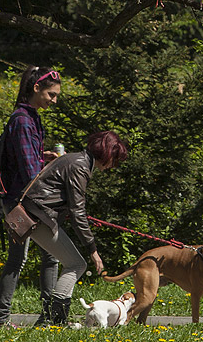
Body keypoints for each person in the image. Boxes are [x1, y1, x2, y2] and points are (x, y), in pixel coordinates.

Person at [21, 130, 128, 326]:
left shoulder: (77, 160)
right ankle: (52, 319)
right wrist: (93, 250)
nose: (114, 166)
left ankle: (56, 320)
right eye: (115, 160)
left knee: (74, 263)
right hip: (37, 217)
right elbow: (78, 211)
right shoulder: (80, 166)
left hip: (35, 214)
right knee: (77, 264)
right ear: (107, 154)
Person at [0, 66, 63, 327]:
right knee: (19, 258)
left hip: (28, 198)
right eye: (51, 95)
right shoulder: (22, 120)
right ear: (36, 88)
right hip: (22, 201)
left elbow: (28, 158)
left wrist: (45, 158)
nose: (54, 100)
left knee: (47, 256)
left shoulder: (31, 116)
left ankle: (47, 316)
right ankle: (3, 320)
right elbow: (30, 170)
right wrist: (55, 169)